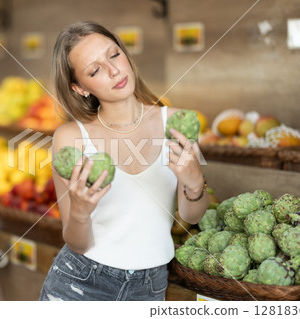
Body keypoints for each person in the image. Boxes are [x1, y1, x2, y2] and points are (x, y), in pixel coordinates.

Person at [39, 21, 209, 301]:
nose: (114, 71)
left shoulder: (176, 121)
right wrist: (80, 212)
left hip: (150, 286)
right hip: (79, 284)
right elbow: (77, 243)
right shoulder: (70, 138)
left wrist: (194, 183)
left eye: (114, 54)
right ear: (80, 88)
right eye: (95, 70)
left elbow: (192, 215)